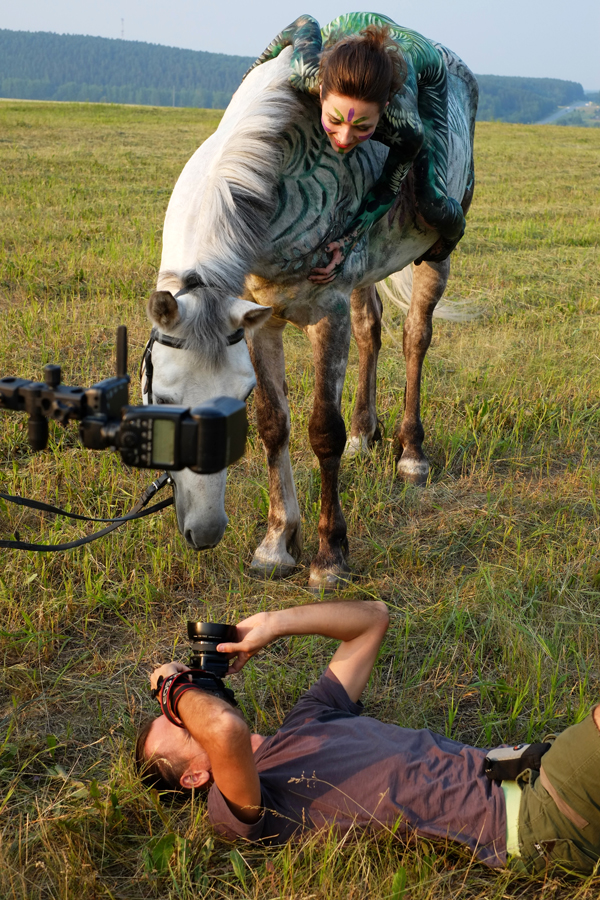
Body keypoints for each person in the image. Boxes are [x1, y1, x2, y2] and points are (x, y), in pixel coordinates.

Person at [137, 601, 600, 876]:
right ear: (195, 776)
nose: (186, 711)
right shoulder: (235, 805)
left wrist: (274, 623)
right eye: (179, 722)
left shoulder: (307, 719)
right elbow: (225, 732)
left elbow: (372, 620)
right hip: (534, 818)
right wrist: (170, 688)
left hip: (536, 767)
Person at [244, 12, 469, 284]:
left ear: (384, 109)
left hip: (419, 52)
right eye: (334, 120)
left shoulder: (404, 126)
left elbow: (389, 187)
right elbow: (303, 23)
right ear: (321, 91)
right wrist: (248, 76)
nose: (343, 138)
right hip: (353, 26)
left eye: (363, 127)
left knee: (432, 203)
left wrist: (349, 240)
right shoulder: (307, 75)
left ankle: (455, 230)